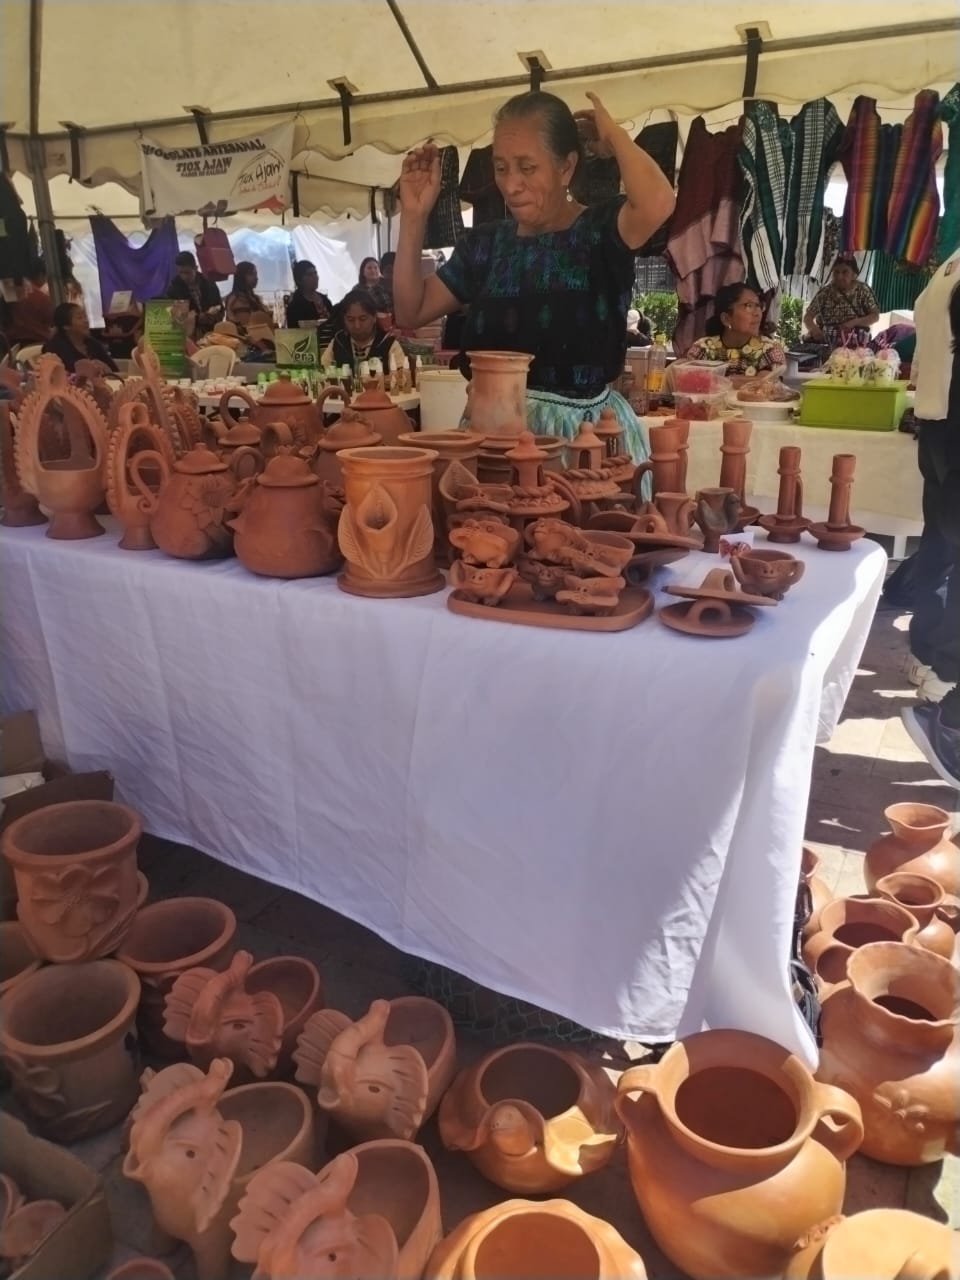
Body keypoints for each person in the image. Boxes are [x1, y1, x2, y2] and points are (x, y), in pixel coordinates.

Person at [393, 90, 674, 455]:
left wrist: (616, 137)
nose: (511, 184)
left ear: (565, 168)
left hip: (582, 444)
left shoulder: (601, 232)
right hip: (490, 440)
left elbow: (659, 202)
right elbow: (410, 310)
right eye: (500, 167)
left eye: (527, 167)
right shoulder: (485, 245)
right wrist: (414, 215)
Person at [899, 248, 960, 787]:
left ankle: (941, 672)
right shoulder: (952, 263)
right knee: (942, 547)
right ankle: (940, 680)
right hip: (942, 420)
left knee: (946, 549)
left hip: (947, 420)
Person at [684, 283, 787, 375]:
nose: (757, 313)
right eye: (749, 306)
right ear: (726, 319)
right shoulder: (702, 349)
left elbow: (767, 385)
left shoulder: (769, 350)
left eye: (759, 306)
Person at [804, 255, 880, 347]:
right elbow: (808, 317)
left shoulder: (863, 290)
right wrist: (813, 329)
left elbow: (875, 316)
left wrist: (854, 322)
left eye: (845, 272)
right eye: (836, 272)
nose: (839, 277)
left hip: (856, 344)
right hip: (829, 344)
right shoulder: (825, 292)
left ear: (854, 275)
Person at [321, 288, 402, 369]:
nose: (357, 325)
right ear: (344, 319)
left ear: (374, 317)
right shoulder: (339, 341)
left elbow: (402, 377)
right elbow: (322, 371)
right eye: (350, 320)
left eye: (363, 319)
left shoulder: (388, 343)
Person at [42, 303, 118, 374]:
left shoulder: (92, 343)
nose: (86, 321)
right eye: (79, 318)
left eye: (85, 316)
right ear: (66, 326)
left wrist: (105, 368)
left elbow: (114, 371)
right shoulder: (54, 348)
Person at [167, 251, 223, 333]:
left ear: (196, 268)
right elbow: (175, 318)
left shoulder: (209, 284)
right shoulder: (174, 290)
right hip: (189, 335)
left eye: (187, 273)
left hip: (213, 330)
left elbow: (220, 307)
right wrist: (198, 318)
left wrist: (212, 317)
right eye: (180, 273)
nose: (184, 277)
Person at [285, 260, 336, 349]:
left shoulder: (324, 299)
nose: (315, 277)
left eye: (315, 273)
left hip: (331, 345)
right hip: (310, 348)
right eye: (309, 275)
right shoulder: (295, 306)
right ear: (299, 280)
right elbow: (294, 333)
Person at [6, 266, 55, 346]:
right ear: (40, 275)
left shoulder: (10, 294)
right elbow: (51, 320)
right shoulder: (41, 297)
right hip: (38, 343)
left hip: (12, 344)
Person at [225, 262, 271, 327]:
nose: (256, 278)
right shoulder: (233, 299)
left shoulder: (255, 299)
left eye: (256, 274)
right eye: (251, 274)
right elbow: (232, 321)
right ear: (241, 276)